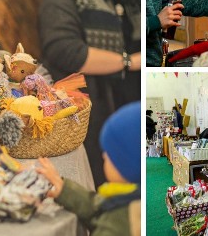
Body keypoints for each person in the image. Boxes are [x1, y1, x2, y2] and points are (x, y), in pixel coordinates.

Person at [39, 0, 141, 188]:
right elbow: (65, 50)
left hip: (129, 102)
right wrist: (128, 61)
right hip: (89, 107)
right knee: (100, 180)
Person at [37, 101, 141, 236]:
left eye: (110, 155)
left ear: (127, 166)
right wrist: (64, 188)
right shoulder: (126, 198)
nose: (104, 156)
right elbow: (98, 207)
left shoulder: (119, 223)